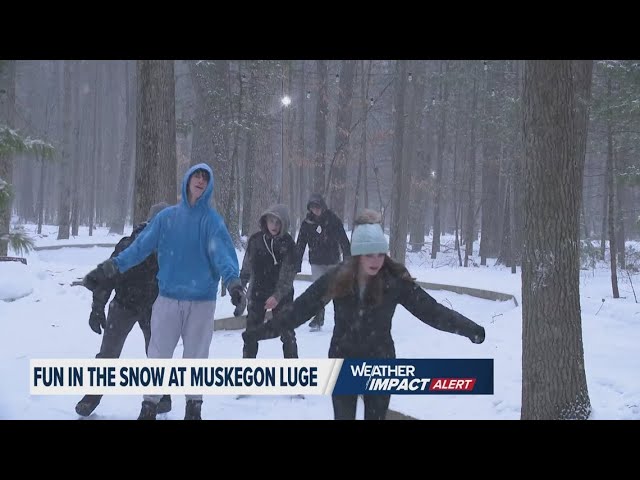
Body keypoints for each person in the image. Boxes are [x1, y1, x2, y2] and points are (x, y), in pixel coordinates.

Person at [244, 209, 486, 421]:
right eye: (369, 254)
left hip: (380, 362)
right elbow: (299, 310)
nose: (375, 260)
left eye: (380, 254)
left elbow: (431, 311)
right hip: (343, 360)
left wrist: (468, 328)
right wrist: (260, 332)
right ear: (358, 254)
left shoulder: (394, 281)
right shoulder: (337, 278)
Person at [84, 163, 244, 420]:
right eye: (197, 176)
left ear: (209, 185)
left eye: (205, 178)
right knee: (158, 353)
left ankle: (194, 408)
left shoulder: (212, 222)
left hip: (201, 301)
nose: (200, 181)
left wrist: (234, 283)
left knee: (195, 356)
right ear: (188, 181)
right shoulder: (166, 218)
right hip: (167, 298)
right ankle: (149, 407)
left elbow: (223, 255)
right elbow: (137, 249)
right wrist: (109, 269)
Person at [77, 202, 171, 417]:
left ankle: (162, 395)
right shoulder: (129, 244)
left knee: (157, 355)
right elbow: (109, 275)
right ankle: (91, 398)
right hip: (123, 305)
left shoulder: (172, 249)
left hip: (154, 308)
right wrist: (97, 308)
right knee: (108, 354)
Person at [237, 203, 298, 360]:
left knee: (288, 334)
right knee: (251, 334)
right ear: (265, 221)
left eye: (278, 222)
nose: (274, 226)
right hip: (257, 293)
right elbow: (246, 267)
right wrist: (240, 288)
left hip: (282, 295)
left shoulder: (289, 244)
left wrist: (277, 297)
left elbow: (288, 275)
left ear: (283, 224)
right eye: (271, 221)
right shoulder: (256, 240)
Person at [295, 193, 350, 331]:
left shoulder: (333, 220)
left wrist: (347, 260)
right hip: (316, 262)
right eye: (313, 207)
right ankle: (318, 318)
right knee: (318, 291)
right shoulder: (307, 223)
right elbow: (300, 244)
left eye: (318, 207)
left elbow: (344, 240)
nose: (316, 210)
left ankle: (343, 318)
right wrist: (297, 263)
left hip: (332, 261)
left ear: (323, 207)